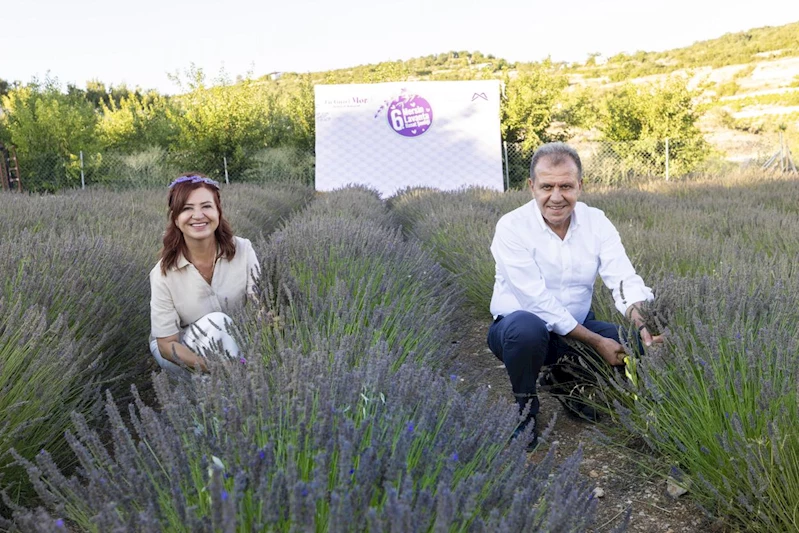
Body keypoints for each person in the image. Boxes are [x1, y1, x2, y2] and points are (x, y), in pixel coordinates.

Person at [487, 142, 663, 451]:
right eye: (547, 186)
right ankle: (525, 408)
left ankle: (571, 382)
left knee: (638, 343)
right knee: (526, 328)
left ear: (580, 185)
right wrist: (596, 342)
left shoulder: (596, 222)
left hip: (577, 329)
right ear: (531, 186)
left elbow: (623, 279)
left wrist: (640, 324)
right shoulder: (512, 227)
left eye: (566, 186)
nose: (556, 197)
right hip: (520, 333)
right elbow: (536, 301)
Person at [149, 173, 260, 373]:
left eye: (206, 206)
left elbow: (259, 302)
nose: (198, 215)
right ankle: (233, 383)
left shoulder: (243, 250)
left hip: (234, 339)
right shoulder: (163, 273)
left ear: (218, 211)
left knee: (225, 329)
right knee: (217, 322)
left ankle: (231, 388)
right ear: (175, 218)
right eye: (187, 209)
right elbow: (166, 344)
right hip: (181, 351)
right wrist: (213, 367)